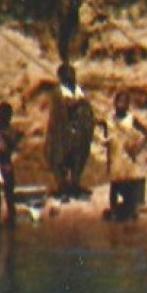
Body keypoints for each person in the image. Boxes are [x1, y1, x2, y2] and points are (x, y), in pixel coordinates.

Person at [45, 63, 95, 202]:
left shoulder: (80, 90)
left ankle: (75, 186)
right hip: (63, 133)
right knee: (60, 159)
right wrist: (75, 104)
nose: (70, 77)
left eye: (71, 74)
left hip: (80, 132)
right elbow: (59, 112)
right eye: (67, 75)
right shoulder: (58, 92)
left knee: (78, 160)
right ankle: (62, 188)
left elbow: (87, 109)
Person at [100, 90, 147, 222]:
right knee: (114, 187)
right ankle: (114, 211)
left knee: (128, 187)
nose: (121, 105)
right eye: (119, 102)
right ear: (115, 103)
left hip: (127, 158)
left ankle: (129, 211)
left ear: (128, 105)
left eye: (124, 102)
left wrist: (137, 149)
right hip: (114, 158)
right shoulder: (109, 119)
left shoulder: (131, 119)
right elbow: (106, 139)